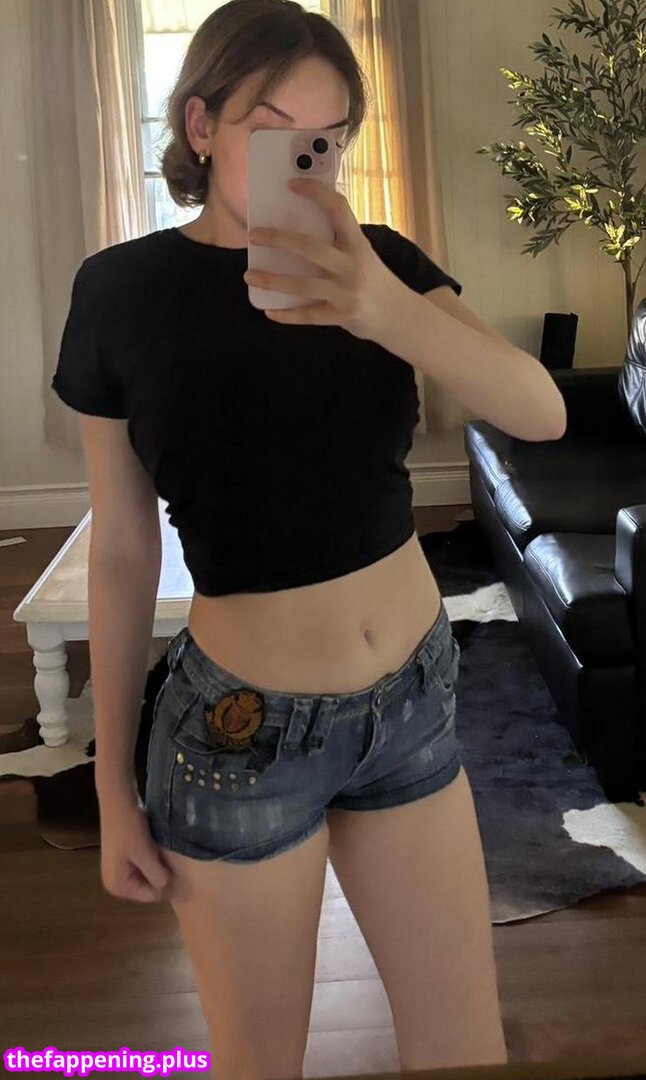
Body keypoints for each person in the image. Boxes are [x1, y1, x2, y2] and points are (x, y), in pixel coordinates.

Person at [51, 2, 565, 1076]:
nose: (303, 160)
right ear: (202, 126)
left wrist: (383, 308)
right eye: (271, 129)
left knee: (466, 1050)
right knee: (260, 1063)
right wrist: (111, 790)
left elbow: (540, 411)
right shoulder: (120, 292)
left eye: (325, 139)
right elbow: (123, 548)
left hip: (413, 702)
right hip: (240, 736)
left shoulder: (380, 266)